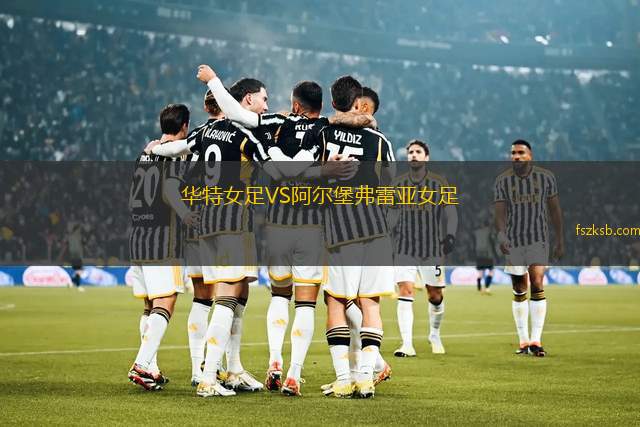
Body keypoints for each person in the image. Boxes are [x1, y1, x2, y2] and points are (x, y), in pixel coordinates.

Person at [201, 64, 370, 396]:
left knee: (279, 296)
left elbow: (234, 112)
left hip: (276, 223)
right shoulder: (327, 129)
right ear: (320, 107)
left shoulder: (275, 123)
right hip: (312, 225)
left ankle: (275, 361)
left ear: (294, 104)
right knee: (305, 304)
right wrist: (364, 120)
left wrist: (214, 82)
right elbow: (351, 125)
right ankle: (294, 374)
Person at [302, 75, 395, 398]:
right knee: (370, 304)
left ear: (333, 103)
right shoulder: (380, 141)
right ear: (359, 103)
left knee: (336, 302)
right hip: (376, 230)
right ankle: (365, 377)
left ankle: (344, 378)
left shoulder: (321, 134)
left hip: (340, 230)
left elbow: (296, 173)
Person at [127, 104, 198, 390]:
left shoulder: (145, 154)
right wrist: (187, 215)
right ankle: (141, 363)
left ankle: (151, 367)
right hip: (163, 237)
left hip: (138, 236)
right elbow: (169, 191)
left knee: (149, 305)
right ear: (184, 126)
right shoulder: (177, 154)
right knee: (165, 302)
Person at [494, 139, 564, 357]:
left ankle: (536, 340)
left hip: (538, 239)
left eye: (521, 153)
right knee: (519, 288)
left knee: (537, 282)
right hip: (514, 241)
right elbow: (499, 212)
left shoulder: (546, 177)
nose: (516, 156)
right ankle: (523, 340)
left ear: (530, 155)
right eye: (513, 153)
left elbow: (555, 210)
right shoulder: (503, 180)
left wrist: (560, 239)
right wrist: (501, 234)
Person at [389, 140, 457, 357]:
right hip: (404, 247)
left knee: (435, 295)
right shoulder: (398, 184)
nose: (413, 155)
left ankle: (434, 334)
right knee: (405, 290)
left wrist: (450, 235)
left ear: (426, 157)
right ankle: (407, 344)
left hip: (432, 248)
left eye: (418, 152)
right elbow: (392, 214)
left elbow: (450, 211)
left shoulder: (439, 182)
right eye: (410, 152)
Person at [474, 215, 496, 294]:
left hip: (479, 255)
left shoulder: (477, 233)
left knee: (480, 272)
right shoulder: (489, 233)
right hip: (487, 255)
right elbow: (492, 244)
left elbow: (474, 244)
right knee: (491, 271)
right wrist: (495, 254)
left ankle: (479, 287)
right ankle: (486, 287)